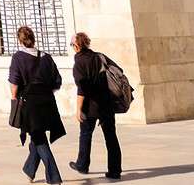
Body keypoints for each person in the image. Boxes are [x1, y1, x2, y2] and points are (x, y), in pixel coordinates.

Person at [8, 25, 65, 184]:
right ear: (33, 38)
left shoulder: (18, 57)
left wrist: (14, 98)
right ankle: (29, 169)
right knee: (36, 135)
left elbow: (15, 81)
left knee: (39, 138)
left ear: (19, 40)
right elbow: (57, 81)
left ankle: (54, 177)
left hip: (30, 104)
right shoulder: (46, 57)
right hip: (47, 102)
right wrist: (46, 92)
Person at [70, 32, 122, 180]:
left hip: (90, 105)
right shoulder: (99, 57)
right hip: (106, 103)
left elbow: (82, 88)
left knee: (86, 134)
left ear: (77, 46)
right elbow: (118, 71)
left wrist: (78, 109)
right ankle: (115, 170)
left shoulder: (79, 62)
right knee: (111, 137)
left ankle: (82, 164)